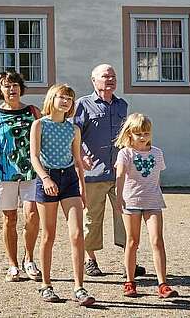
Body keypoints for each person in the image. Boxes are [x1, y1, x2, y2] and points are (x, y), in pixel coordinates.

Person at [71, 64, 142, 277]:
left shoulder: (122, 105)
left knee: (126, 215)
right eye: (105, 76)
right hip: (93, 173)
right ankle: (90, 260)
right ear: (94, 80)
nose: (110, 79)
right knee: (92, 217)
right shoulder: (82, 105)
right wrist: (81, 156)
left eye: (113, 76)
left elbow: (129, 136)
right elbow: (74, 135)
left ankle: (128, 262)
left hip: (121, 172)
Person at [28, 84, 96, 306]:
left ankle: (79, 287)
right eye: (62, 97)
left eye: (70, 98)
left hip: (69, 181)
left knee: (77, 234)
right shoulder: (39, 125)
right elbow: (34, 156)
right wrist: (45, 179)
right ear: (52, 99)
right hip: (46, 178)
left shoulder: (73, 129)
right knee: (48, 235)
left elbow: (77, 161)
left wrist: (83, 190)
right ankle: (46, 285)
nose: (66, 101)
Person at [0, 70, 44, 282]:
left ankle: (29, 259)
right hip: (4, 172)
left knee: (33, 215)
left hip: (31, 171)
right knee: (9, 218)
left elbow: (47, 135)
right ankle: (13, 265)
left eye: (15, 84)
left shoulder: (33, 111)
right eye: (7, 85)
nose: (12, 89)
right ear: (0, 90)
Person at [114, 113, 176, 299]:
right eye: (138, 133)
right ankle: (130, 282)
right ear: (129, 134)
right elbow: (120, 177)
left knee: (157, 240)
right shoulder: (125, 153)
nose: (143, 137)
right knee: (132, 242)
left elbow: (156, 176)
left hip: (153, 201)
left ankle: (163, 284)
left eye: (146, 133)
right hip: (131, 201)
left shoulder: (157, 153)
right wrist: (119, 198)